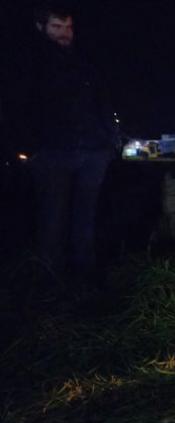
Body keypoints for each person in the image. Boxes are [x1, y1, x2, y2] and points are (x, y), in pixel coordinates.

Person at [12, 3, 118, 281]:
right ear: (41, 27)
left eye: (68, 27)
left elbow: (102, 100)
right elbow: (19, 108)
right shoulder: (29, 62)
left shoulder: (83, 59)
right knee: (52, 221)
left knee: (86, 219)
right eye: (57, 27)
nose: (64, 33)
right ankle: (51, 286)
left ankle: (85, 280)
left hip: (93, 151)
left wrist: (110, 141)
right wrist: (31, 149)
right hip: (53, 152)